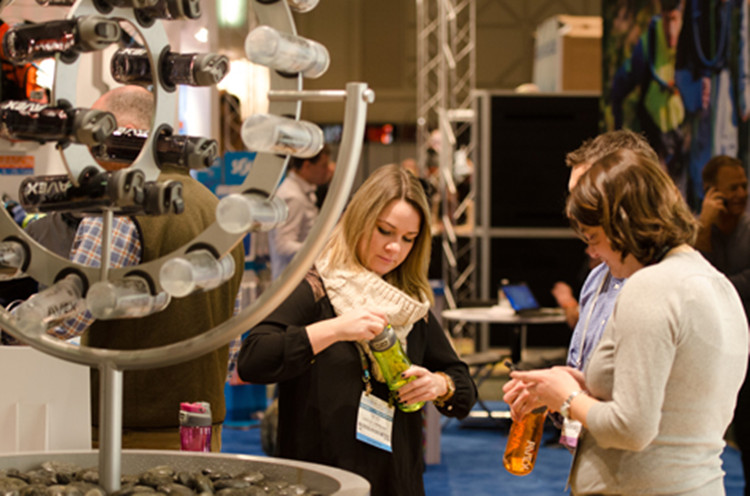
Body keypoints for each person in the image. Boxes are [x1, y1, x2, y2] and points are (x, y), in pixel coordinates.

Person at [504, 149, 748, 495]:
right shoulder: (716, 284)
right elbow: (675, 401)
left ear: (622, 224)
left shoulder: (651, 285)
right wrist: (580, 385)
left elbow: (631, 429)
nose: (593, 253)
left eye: (594, 238)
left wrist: (566, 397)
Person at [237, 163, 477, 496]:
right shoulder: (316, 287)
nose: (395, 248)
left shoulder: (409, 304)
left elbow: (462, 387)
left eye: (408, 239)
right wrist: (334, 330)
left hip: (396, 478)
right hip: (324, 478)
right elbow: (253, 360)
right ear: (359, 220)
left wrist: (439, 385)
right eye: (385, 231)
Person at [50, 85, 245, 451]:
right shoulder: (218, 210)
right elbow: (230, 335)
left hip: (128, 430)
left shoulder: (119, 208)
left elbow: (66, 317)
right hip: (204, 427)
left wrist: (15, 317)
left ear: (119, 135)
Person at [694, 154, 750, 495]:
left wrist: (717, 287)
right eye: (733, 188)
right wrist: (703, 227)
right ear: (712, 192)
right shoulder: (701, 230)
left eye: (744, 185)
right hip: (716, 352)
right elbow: (694, 281)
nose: (742, 193)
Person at [610, 0, 686, 184]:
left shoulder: (692, 35)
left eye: (674, 20)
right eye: (667, 20)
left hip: (683, 125)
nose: (670, 30)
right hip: (654, 123)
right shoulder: (649, 40)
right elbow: (622, 83)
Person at [268, 145, 331, 279]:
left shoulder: (304, 191)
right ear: (307, 166)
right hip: (290, 281)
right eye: (323, 166)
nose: (327, 170)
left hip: (301, 277)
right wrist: (321, 248)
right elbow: (283, 245)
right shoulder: (293, 197)